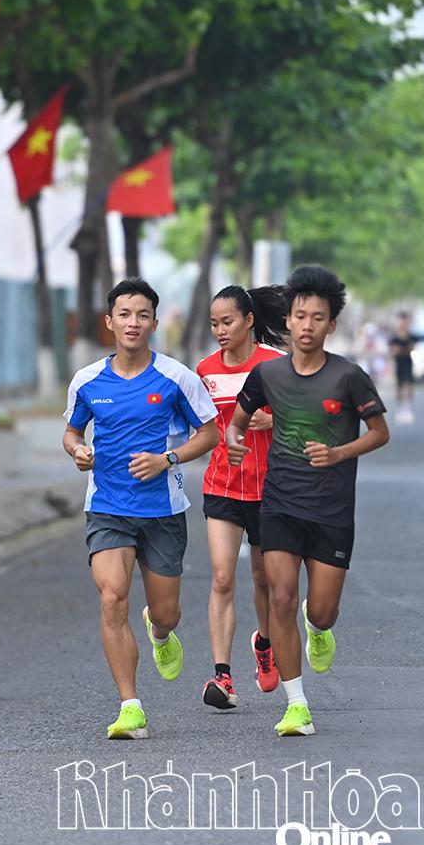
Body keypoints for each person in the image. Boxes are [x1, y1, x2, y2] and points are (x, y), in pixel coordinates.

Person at [228, 265, 390, 736]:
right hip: (279, 503)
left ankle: (318, 630)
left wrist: (339, 452)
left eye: (317, 318)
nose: (306, 325)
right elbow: (238, 421)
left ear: (330, 325)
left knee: (320, 610)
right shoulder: (268, 374)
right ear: (290, 319)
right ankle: (295, 703)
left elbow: (380, 433)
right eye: (299, 315)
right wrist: (236, 439)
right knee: (280, 596)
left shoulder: (349, 377)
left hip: (332, 510)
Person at [63, 278, 220, 740]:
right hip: (108, 506)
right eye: (124, 315)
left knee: (166, 611)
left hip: (163, 510)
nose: (133, 323)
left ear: (154, 322)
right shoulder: (88, 381)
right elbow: (72, 432)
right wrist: (78, 450)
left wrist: (167, 459)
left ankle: (159, 630)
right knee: (112, 596)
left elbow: (209, 433)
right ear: (110, 321)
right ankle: (130, 706)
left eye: (142, 315)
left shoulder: (176, 378)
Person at [195, 285, 288, 709]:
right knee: (221, 577)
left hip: (271, 489)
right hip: (223, 485)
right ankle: (222, 677)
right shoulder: (204, 370)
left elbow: (302, 421)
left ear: (249, 320)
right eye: (214, 323)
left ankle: (265, 643)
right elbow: (204, 427)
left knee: (265, 581)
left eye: (227, 321)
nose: (220, 330)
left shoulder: (275, 365)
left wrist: (274, 420)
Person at [387, 312, 417, 425]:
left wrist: (402, 350)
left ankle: (407, 409)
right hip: (398, 363)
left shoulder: (410, 335)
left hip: (408, 363)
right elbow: (392, 351)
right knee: (399, 386)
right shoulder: (394, 336)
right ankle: (400, 410)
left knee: (408, 385)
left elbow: (412, 348)